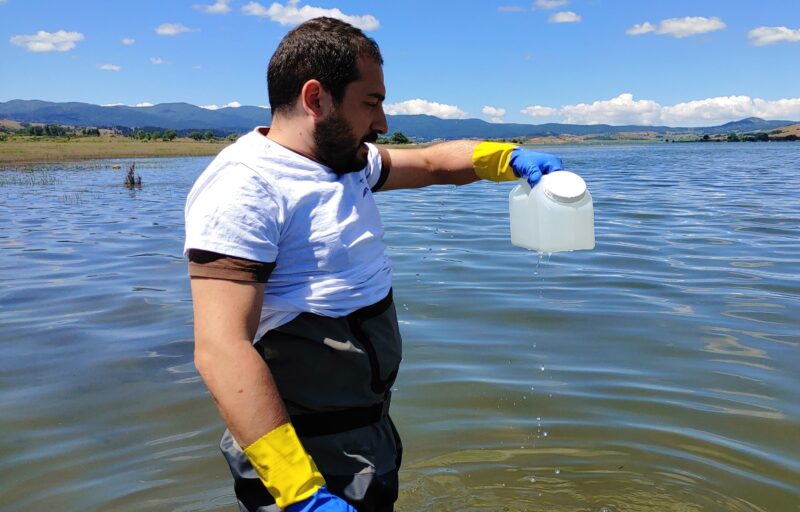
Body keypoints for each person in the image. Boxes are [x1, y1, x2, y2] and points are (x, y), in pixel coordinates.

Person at [184, 17, 564, 512]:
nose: (382, 122)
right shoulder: (245, 188)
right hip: (306, 457)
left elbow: (430, 164)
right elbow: (221, 350)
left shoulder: (344, 162)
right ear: (316, 98)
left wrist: (504, 157)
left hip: (362, 434)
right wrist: (300, 493)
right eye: (371, 103)